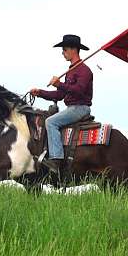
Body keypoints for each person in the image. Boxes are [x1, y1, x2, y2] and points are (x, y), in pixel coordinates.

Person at [30, 34, 93, 174]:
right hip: (72, 108)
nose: (62, 52)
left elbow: (79, 92)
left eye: (64, 49)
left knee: (51, 122)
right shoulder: (70, 71)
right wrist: (40, 92)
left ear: (73, 50)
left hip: (80, 108)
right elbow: (60, 95)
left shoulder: (84, 71)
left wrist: (60, 84)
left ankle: (56, 159)